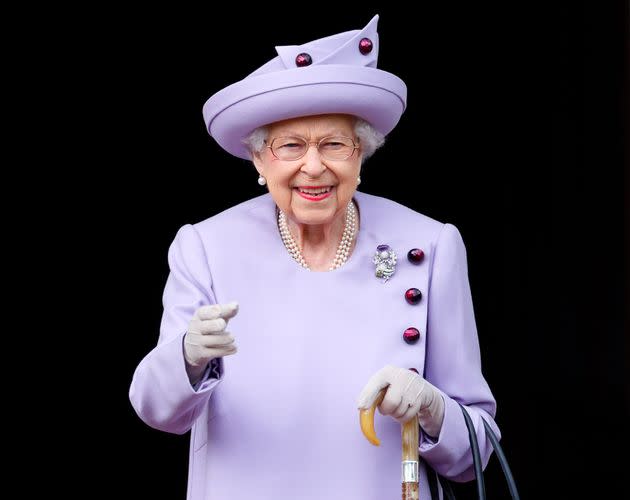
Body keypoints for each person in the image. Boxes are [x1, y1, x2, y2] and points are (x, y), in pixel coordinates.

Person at [129, 15, 499, 499]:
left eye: (334, 144)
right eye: (290, 146)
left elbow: (477, 454)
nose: (314, 165)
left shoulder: (430, 244)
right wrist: (187, 359)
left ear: (360, 155)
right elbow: (158, 412)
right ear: (260, 161)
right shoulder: (206, 246)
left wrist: (433, 409)